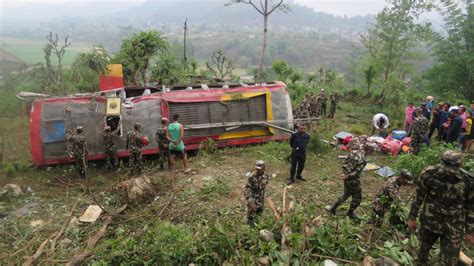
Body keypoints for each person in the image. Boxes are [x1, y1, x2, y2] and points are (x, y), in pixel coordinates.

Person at [408, 150, 474, 265]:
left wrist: (470, 231)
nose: (448, 173)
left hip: (454, 227)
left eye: (451, 171)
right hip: (430, 222)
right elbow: (418, 198)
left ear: (459, 166)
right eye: (446, 169)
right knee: (421, 255)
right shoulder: (429, 174)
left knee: (449, 261)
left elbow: (471, 207)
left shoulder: (468, 181)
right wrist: (412, 218)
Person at [326, 144, 368, 219]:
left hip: (346, 179)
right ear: (369, 150)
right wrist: (347, 176)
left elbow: (344, 163)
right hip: (353, 181)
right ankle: (350, 213)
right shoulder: (363, 159)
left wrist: (344, 174)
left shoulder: (353, 152)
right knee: (357, 198)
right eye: (372, 151)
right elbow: (356, 173)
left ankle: (333, 208)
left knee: (346, 194)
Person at [244, 160, 270, 226]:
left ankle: (256, 226)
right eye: (257, 168)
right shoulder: (252, 176)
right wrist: (249, 200)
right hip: (253, 198)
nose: (258, 170)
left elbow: (263, 187)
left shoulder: (266, 176)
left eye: (260, 169)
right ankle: (249, 228)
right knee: (251, 215)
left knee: (259, 214)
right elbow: (247, 188)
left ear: (264, 168)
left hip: (261, 198)